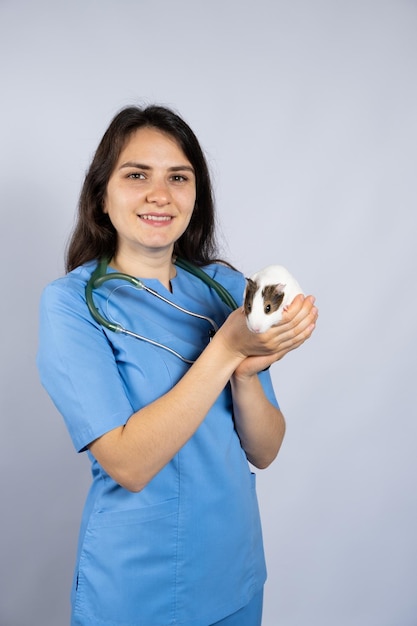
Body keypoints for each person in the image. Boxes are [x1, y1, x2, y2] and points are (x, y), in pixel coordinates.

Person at [37, 104, 318, 626]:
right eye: (136, 174)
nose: (159, 194)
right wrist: (228, 349)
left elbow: (266, 448)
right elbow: (128, 464)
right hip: (136, 588)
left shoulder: (229, 292)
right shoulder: (71, 305)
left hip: (234, 573)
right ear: (102, 195)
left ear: (196, 195)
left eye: (178, 177)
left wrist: (246, 374)